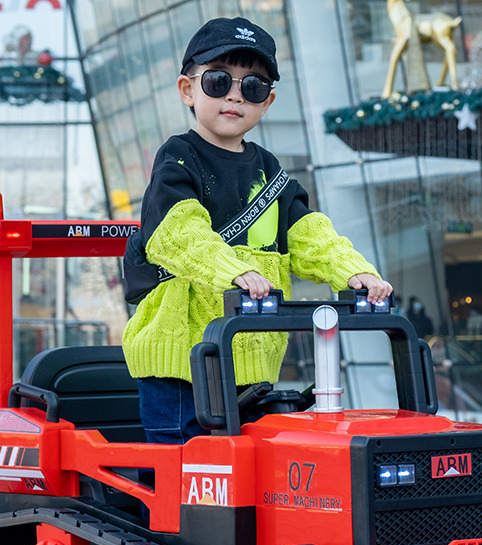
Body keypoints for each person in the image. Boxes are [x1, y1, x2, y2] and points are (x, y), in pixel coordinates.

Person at [122, 17, 392, 444]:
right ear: (188, 89)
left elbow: (309, 233)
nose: (235, 94)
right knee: (188, 484)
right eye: (217, 81)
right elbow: (178, 233)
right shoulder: (178, 159)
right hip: (182, 364)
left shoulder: (269, 170)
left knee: (250, 487)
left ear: (266, 103)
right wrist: (231, 271)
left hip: (251, 365)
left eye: (252, 87)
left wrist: (354, 273)